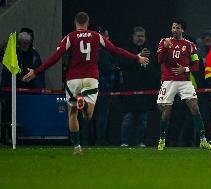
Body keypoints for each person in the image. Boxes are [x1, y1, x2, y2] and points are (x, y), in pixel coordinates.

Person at [22, 12, 149, 154]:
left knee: (72, 113)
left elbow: (55, 57)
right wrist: (135, 57)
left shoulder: (69, 37)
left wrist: (36, 71)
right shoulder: (96, 36)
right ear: (87, 23)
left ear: (75, 23)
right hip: (91, 79)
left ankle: (77, 147)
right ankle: (83, 103)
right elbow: (115, 50)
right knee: (88, 115)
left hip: (73, 79)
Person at [156, 18, 211, 150]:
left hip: (184, 81)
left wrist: (185, 69)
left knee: (195, 108)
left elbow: (197, 65)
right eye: (173, 27)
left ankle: (203, 140)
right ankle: (161, 140)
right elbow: (160, 60)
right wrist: (165, 49)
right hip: (168, 80)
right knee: (166, 110)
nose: (175, 30)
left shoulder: (190, 45)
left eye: (177, 28)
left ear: (182, 29)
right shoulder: (164, 41)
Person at [119, 26, 155, 147]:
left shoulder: (149, 49)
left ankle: (140, 141)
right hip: (129, 89)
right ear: (133, 37)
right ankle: (124, 141)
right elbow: (123, 64)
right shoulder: (127, 49)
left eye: (142, 36)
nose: (140, 39)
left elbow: (152, 68)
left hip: (144, 90)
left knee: (143, 120)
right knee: (128, 118)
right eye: (138, 36)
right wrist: (137, 57)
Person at [94, 26, 116, 146]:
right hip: (102, 87)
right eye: (105, 36)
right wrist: (115, 69)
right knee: (102, 115)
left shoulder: (92, 49)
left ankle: (88, 140)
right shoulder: (102, 51)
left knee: (90, 115)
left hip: (90, 86)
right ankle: (99, 140)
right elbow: (107, 68)